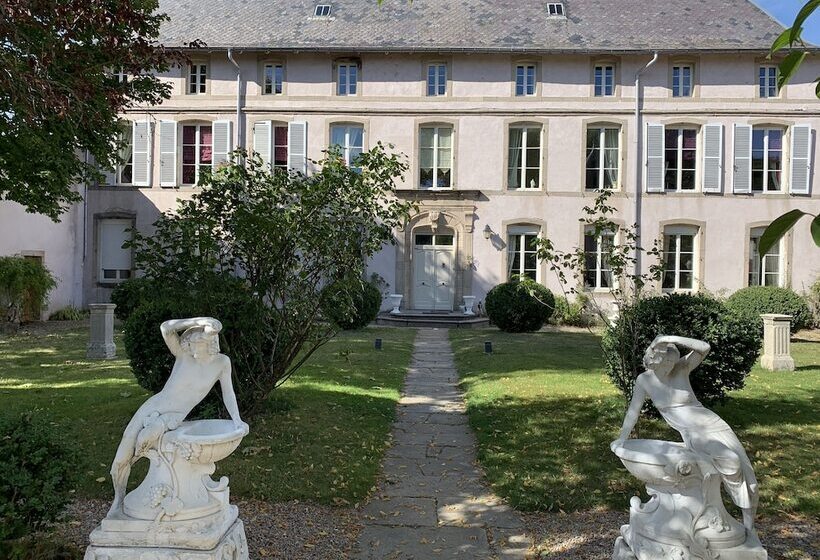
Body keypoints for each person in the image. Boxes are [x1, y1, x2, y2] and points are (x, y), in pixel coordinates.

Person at [612, 335, 759, 532]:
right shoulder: (645, 381)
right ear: (654, 362)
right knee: (731, 461)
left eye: (672, 362)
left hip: (714, 423)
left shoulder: (681, 368)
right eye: (665, 363)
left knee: (748, 474)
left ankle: (750, 529)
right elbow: (633, 411)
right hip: (695, 434)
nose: (669, 367)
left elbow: (704, 347)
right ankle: (720, 518)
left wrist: (668, 338)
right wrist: (622, 438)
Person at [108, 317, 245, 516]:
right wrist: (197, 321)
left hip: (172, 417)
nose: (194, 349)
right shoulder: (183, 356)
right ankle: (118, 500)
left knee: (143, 440)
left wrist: (237, 419)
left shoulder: (221, 363)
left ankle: (145, 475)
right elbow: (166, 328)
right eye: (191, 344)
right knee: (121, 457)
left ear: (210, 343)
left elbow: (228, 393)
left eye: (199, 344)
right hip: (154, 406)